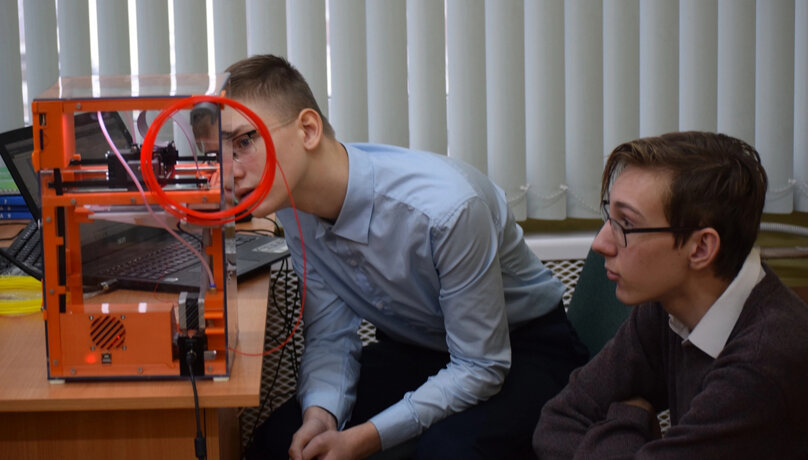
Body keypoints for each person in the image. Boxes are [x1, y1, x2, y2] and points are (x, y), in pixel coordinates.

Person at [219, 55, 588, 460]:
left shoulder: (446, 210)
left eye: (244, 142)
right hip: (423, 346)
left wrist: (362, 439)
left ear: (308, 129)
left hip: (523, 350)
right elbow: (330, 334)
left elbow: (480, 367)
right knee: (278, 441)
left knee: (443, 452)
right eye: (219, 152)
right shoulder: (293, 204)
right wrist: (321, 416)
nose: (228, 171)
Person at [532, 131, 808, 458]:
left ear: (701, 248)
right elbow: (556, 422)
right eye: (610, 216)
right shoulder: (668, 306)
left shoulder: (761, 367)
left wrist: (626, 418)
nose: (601, 243)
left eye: (627, 223)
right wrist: (634, 430)